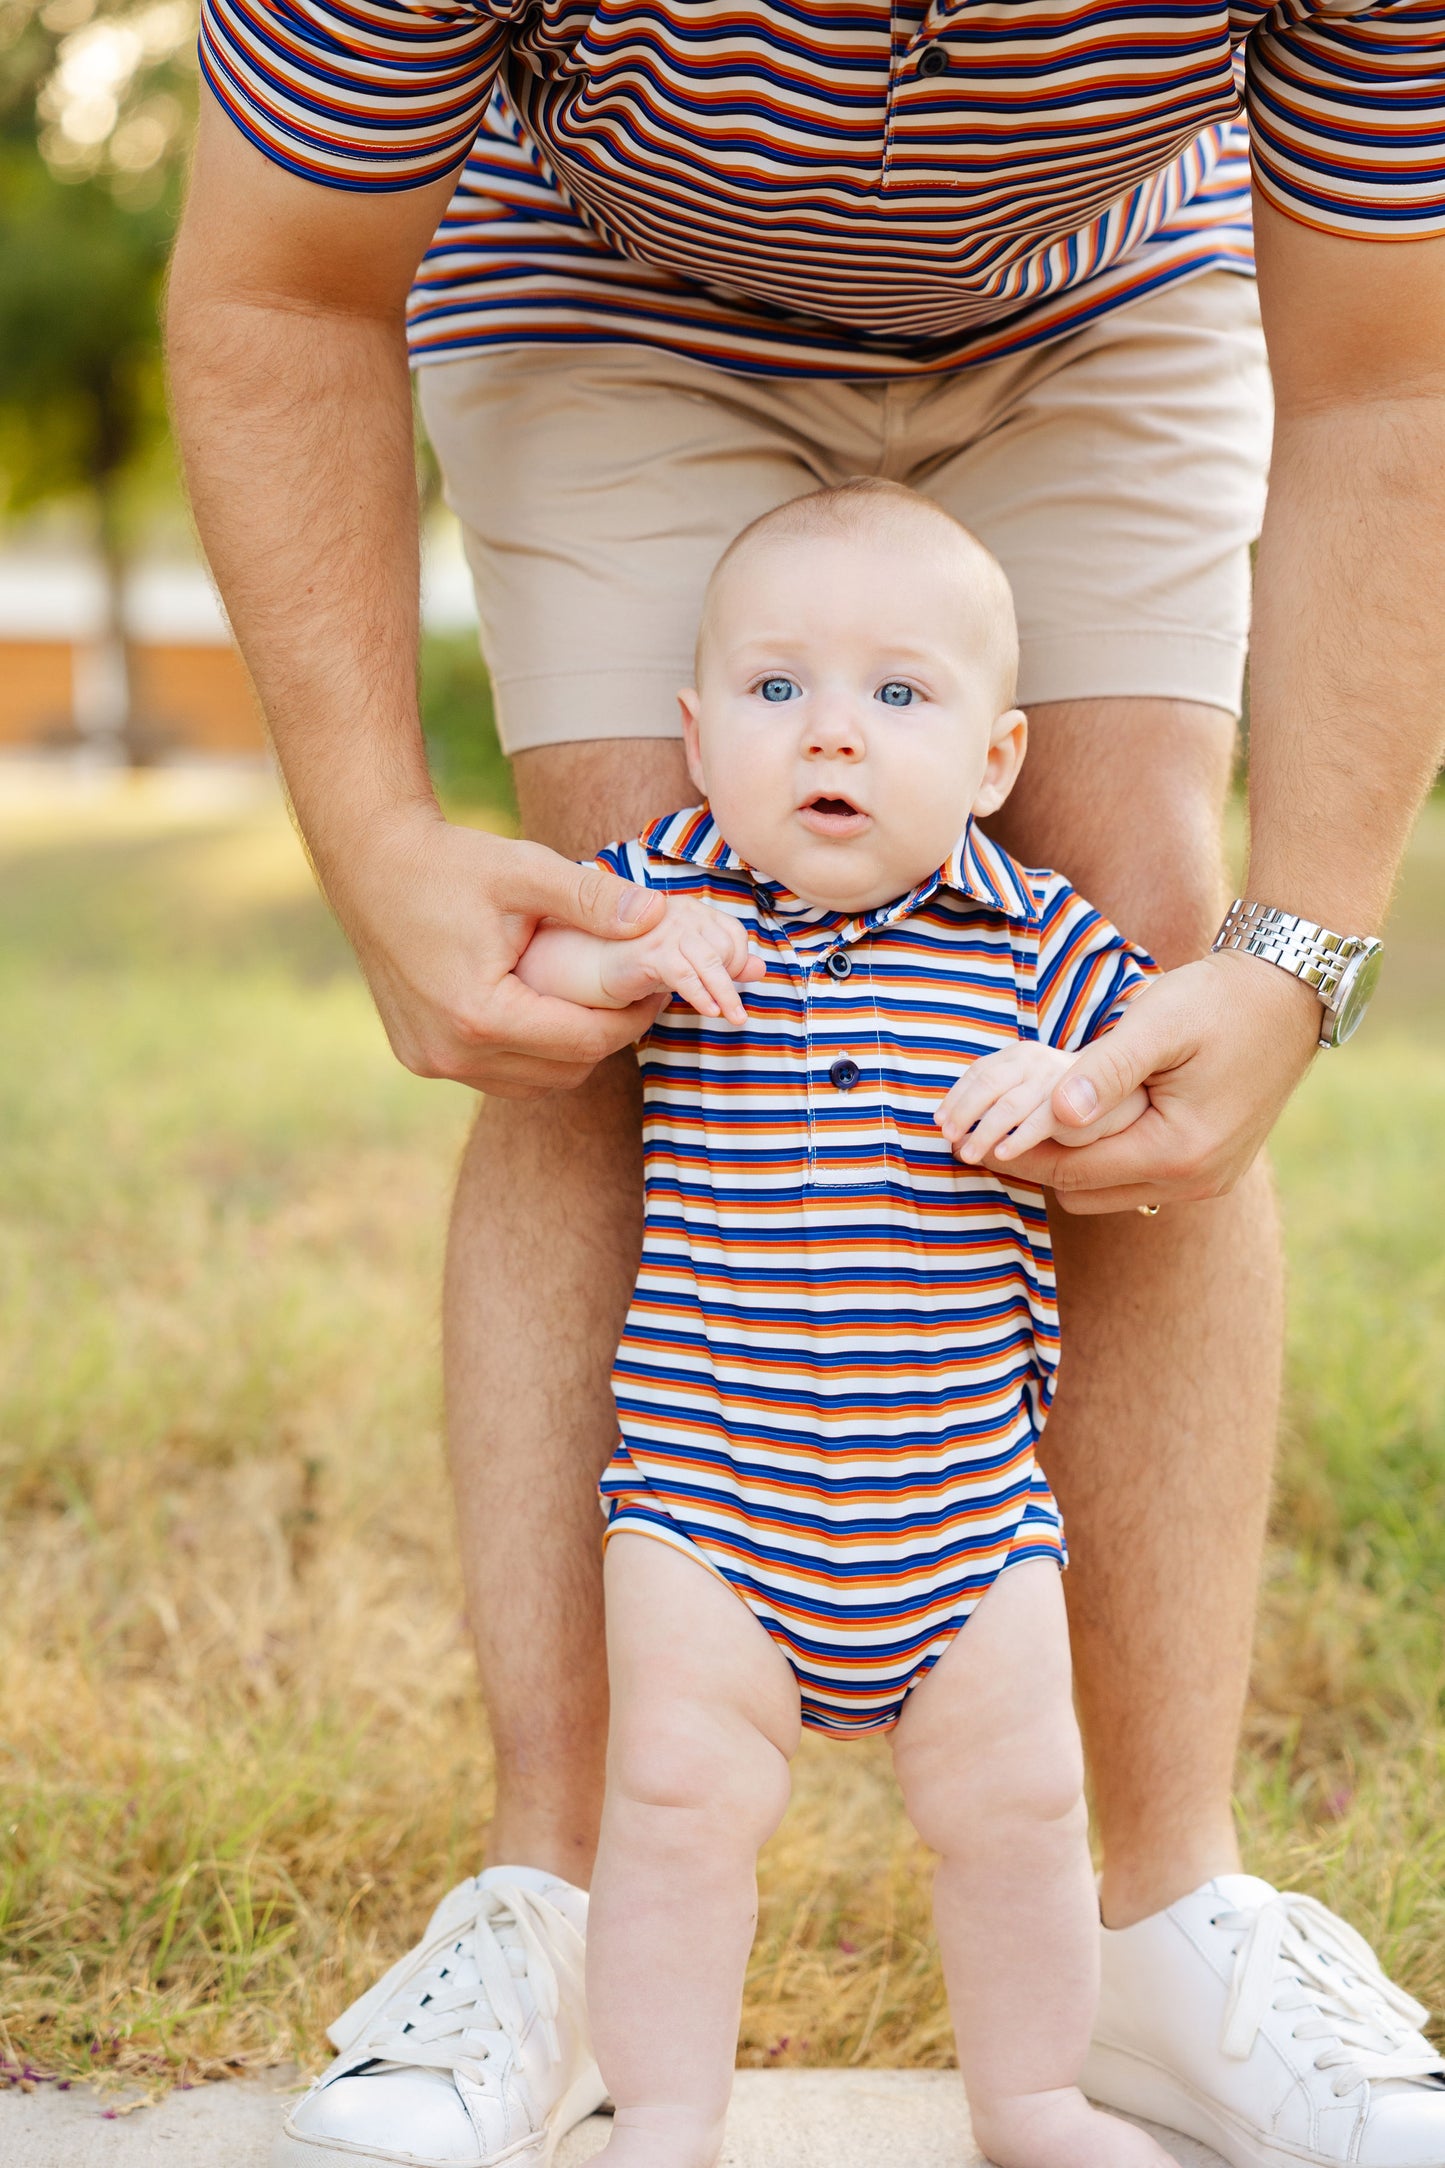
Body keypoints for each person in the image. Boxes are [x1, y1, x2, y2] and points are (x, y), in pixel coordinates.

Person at [163, 0, 1445, 2154]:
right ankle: (556, 1907)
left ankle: (1163, 1926)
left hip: (1110, 282)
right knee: (610, 968)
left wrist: (1297, 949)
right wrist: (376, 845)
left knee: (1142, 952)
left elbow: (1397, 367)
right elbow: (280, 279)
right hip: (604, 271)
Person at [517, 480, 1181, 2168]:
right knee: (672, 1807)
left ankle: (1030, 2099)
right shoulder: (668, 889)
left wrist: (1077, 1083)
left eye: (897, 695)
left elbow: (1156, 1059)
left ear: (993, 760)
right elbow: (539, 974)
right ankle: (664, 2113)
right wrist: (637, 956)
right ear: (695, 734)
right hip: (705, 1497)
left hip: (961, 1504)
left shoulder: (1037, 940)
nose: (831, 734)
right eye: (773, 691)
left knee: (1021, 1811)